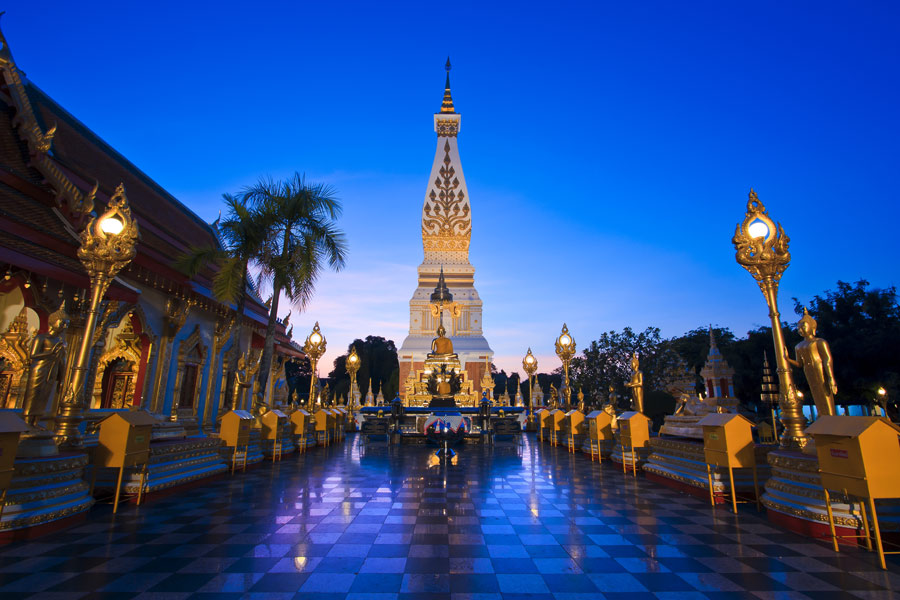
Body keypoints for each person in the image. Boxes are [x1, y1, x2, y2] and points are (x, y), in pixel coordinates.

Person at [786, 308, 837, 417]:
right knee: (816, 393)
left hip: (820, 368)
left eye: (803, 326)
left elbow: (827, 360)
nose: (801, 329)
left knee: (825, 393)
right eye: (799, 327)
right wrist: (787, 359)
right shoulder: (798, 346)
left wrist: (831, 377)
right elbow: (799, 363)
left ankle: (830, 416)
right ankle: (821, 415)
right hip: (808, 370)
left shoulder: (819, 342)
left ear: (812, 327)